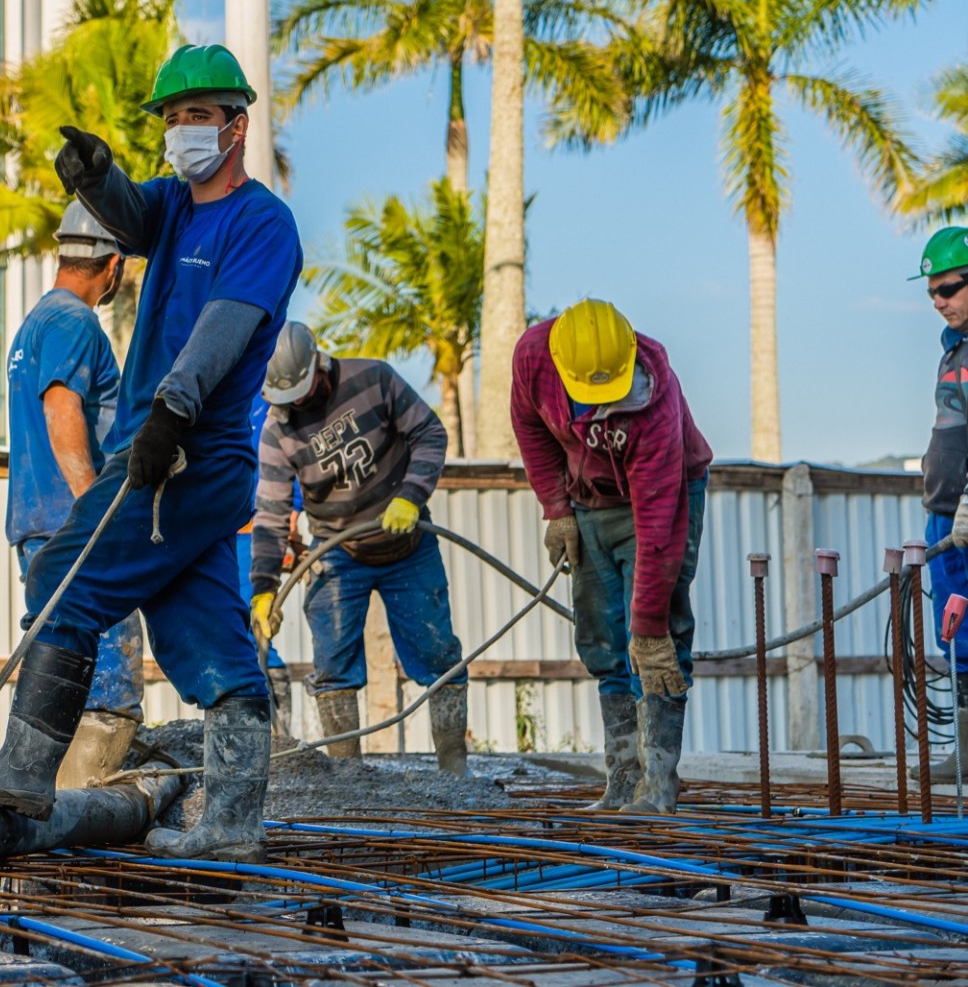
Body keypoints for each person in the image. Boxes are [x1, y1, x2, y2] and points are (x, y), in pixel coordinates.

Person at [0, 44, 304, 864]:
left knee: (63, 576)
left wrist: (171, 412)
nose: (181, 131)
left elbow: (225, 328)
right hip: (173, 450)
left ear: (236, 125)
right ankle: (235, 825)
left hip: (188, 452)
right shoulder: (173, 207)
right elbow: (131, 215)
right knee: (206, 630)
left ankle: (25, 771)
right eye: (172, 119)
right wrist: (93, 177)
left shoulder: (261, 223)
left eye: (196, 116)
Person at [511, 299, 713, 813]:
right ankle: (623, 780)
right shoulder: (535, 357)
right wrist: (556, 507)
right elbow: (531, 430)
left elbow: (658, 525)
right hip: (588, 499)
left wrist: (648, 628)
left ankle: (657, 788)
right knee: (601, 635)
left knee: (657, 638)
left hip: (660, 499)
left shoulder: (654, 393)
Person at [249, 322, 466, 773]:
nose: (298, 407)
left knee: (438, 654)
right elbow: (270, 516)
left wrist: (411, 495)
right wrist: (264, 588)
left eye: (303, 395)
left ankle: (454, 769)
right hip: (336, 551)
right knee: (333, 665)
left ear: (320, 368)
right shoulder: (277, 431)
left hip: (409, 545)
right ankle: (346, 773)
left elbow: (430, 434)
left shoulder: (374, 379)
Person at [4, 201, 144, 785]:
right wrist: (95, 509)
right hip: (72, 518)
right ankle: (88, 800)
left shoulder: (36, 321)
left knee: (57, 658)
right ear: (112, 266)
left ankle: (48, 794)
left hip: (39, 519)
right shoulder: (75, 323)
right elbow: (63, 408)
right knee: (107, 672)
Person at [914, 227, 968, 757]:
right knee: (955, 635)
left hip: (966, 513)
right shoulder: (953, 347)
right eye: (931, 291)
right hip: (946, 516)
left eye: (948, 289)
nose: (937, 301)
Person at [243, 390, 295, 737]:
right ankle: (256, 728)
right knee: (231, 627)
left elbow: (292, 454)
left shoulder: (273, 401)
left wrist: (290, 515)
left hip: (256, 530)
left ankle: (276, 732)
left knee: (255, 627)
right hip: (220, 529)